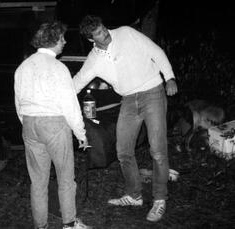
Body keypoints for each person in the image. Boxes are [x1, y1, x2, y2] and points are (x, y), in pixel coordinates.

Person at [73, 15, 178, 222]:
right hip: (129, 100)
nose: (106, 34)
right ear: (90, 40)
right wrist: (57, 100)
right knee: (123, 151)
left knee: (157, 150)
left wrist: (170, 77)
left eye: (104, 29)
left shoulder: (126, 33)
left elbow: (156, 52)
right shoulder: (94, 59)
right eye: (99, 35)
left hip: (153, 92)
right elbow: (77, 81)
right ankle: (134, 195)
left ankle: (159, 199)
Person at [14, 21, 92, 229]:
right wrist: (81, 134)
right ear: (53, 40)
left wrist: (28, 123)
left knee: (38, 182)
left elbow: (18, 102)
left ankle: (41, 226)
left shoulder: (23, 67)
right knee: (66, 178)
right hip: (54, 124)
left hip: (29, 124)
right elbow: (70, 105)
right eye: (62, 38)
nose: (65, 42)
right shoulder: (58, 68)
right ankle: (69, 223)